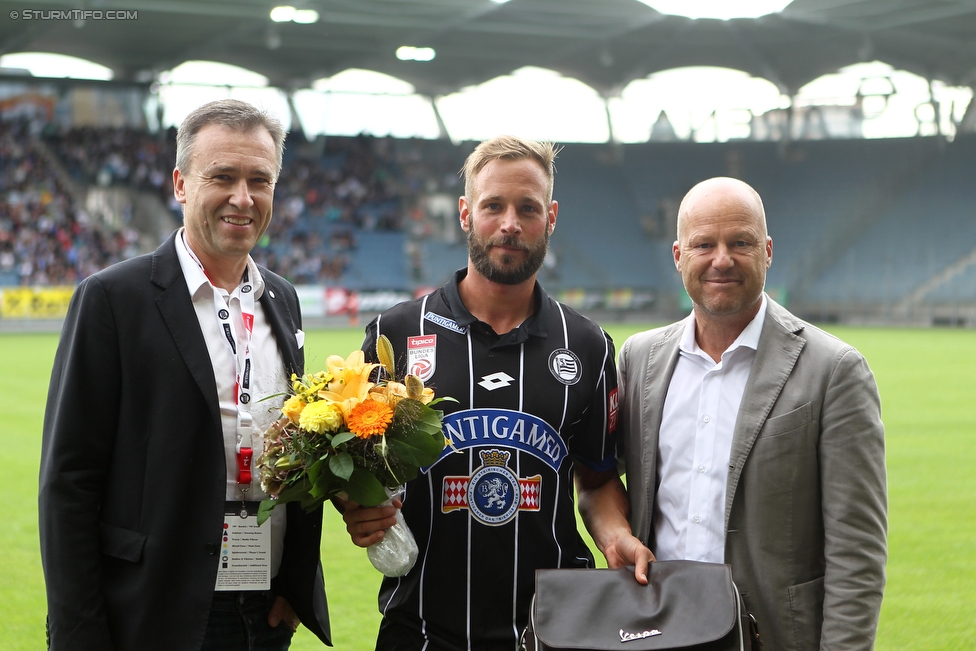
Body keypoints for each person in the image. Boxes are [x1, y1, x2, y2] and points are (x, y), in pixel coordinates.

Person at [38, 99, 331, 651]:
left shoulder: (282, 299)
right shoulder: (111, 299)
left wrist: (295, 579)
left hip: (265, 607)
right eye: (222, 176)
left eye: (259, 180)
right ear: (180, 183)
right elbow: (68, 483)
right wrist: (78, 634)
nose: (242, 198)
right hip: (159, 607)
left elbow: (293, 450)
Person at [339, 135, 651, 650]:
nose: (510, 223)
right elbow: (356, 469)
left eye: (527, 208)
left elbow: (596, 481)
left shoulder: (588, 346)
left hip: (553, 628)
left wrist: (616, 536)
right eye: (493, 206)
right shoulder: (395, 335)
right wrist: (355, 506)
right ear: (465, 213)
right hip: (420, 626)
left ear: (550, 218)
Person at [618, 177, 887, 649]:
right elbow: (599, 478)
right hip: (656, 632)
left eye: (740, 242)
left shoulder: (834, 371)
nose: (722, 259)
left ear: (767, 251)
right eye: (704, 244)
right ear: (679, 256)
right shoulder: (638, 360)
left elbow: (856, 552)